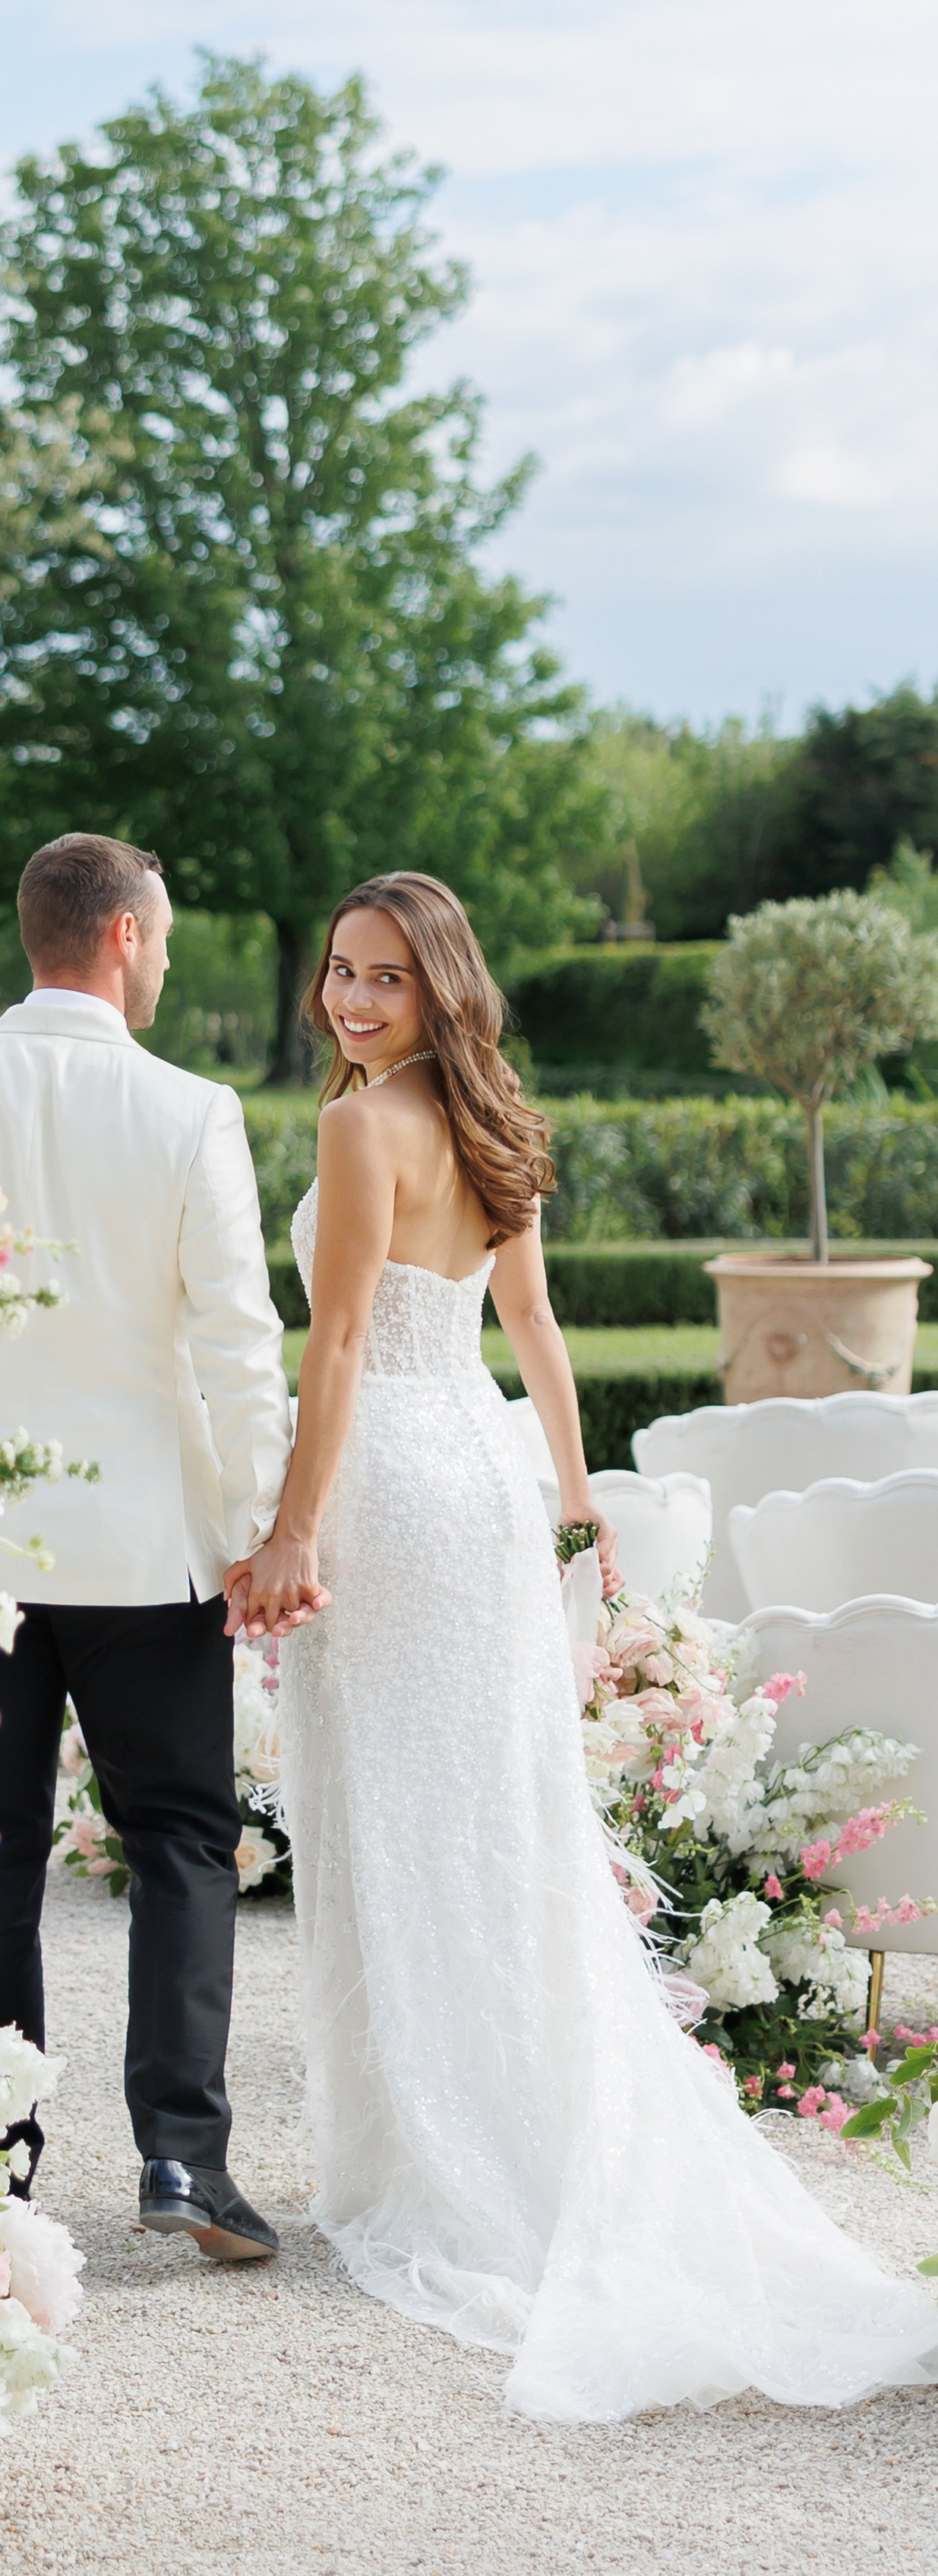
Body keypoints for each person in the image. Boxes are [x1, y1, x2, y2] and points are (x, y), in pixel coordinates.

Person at [232, 869, 938, 2418]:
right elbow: (533, 1332)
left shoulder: (360, 1130)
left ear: (437, 990)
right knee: (494, 1813)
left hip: (393, 1496)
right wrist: (568, 1504)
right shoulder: (494, 1125)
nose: (348, 1001)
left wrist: (290, 1529)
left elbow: (337, 1342)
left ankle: (433, 2156)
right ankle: (507, 2119)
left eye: (381, 980)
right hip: (478, 1480)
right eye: (339, 973)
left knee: (404, 1819)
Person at [0, 833, 292, 2259]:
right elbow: (239, 1345)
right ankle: (182, 2160)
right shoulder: (190, 1111)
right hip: (141, 1550)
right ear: (120, 937)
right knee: (180, 1839)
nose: (166, 962)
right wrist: (261, 1531)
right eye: (162, 940)